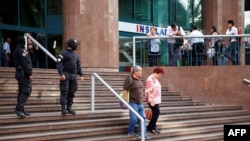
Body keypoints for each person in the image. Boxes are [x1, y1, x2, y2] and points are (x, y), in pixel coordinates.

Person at [56, 39, 84, 116]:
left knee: (72, 91)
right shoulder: (63, 53)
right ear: (71, 45)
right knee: (64, 91)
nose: (76, 47)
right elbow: (59, 63)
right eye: (75, 45)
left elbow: (78, 66)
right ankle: (63, 108)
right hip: (66, 74)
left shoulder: (76, 55)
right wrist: (61, 74)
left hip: (73, 75)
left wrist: (81, 75)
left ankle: (69, 107)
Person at [123, 65, 150, 140]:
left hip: (140, 103)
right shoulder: (129, 79)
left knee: (143, 119)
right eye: (140, 71)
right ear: (135, 71)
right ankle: (130, 132)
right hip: (133, 103)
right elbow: (125, 90)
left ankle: (142, 135)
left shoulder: (139, 79)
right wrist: (125, 101)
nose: (141, 72)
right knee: (134, 119)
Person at [13, 36, 33, 118]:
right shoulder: (22, 50)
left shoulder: (15, 50)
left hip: (19, 72)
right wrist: (29, 74)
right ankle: (19, 109)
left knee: (22, 91)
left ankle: (21, 109)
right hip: (23, 73)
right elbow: (25, 62)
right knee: (26, 91)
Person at [145, 67, 164, 134]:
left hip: (156, 99)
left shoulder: (155, 79)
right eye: (159, 74)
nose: (160, 76)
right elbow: (148, 89)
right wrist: (149, 98)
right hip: (152, 99)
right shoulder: (150, 79)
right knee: (156, 112)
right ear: (156, 72)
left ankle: (152, 127)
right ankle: (151, 127)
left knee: (156, 113)